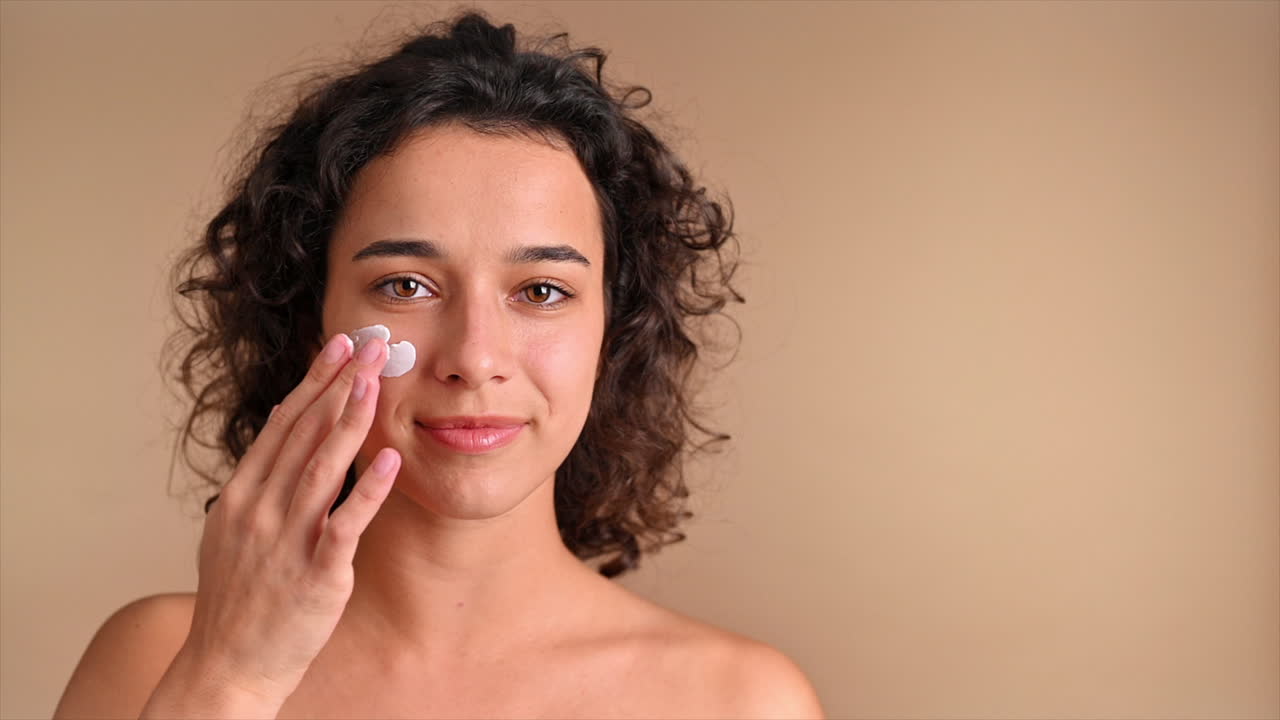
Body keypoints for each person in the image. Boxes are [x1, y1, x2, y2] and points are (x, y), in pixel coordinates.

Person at [53, 10, 824, 719]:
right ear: (310, 314)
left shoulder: (741, 700)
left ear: (614, 331)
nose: (474, 357)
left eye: (543, 290)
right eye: (405, 285)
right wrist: (230, 682)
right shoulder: (155, 661)